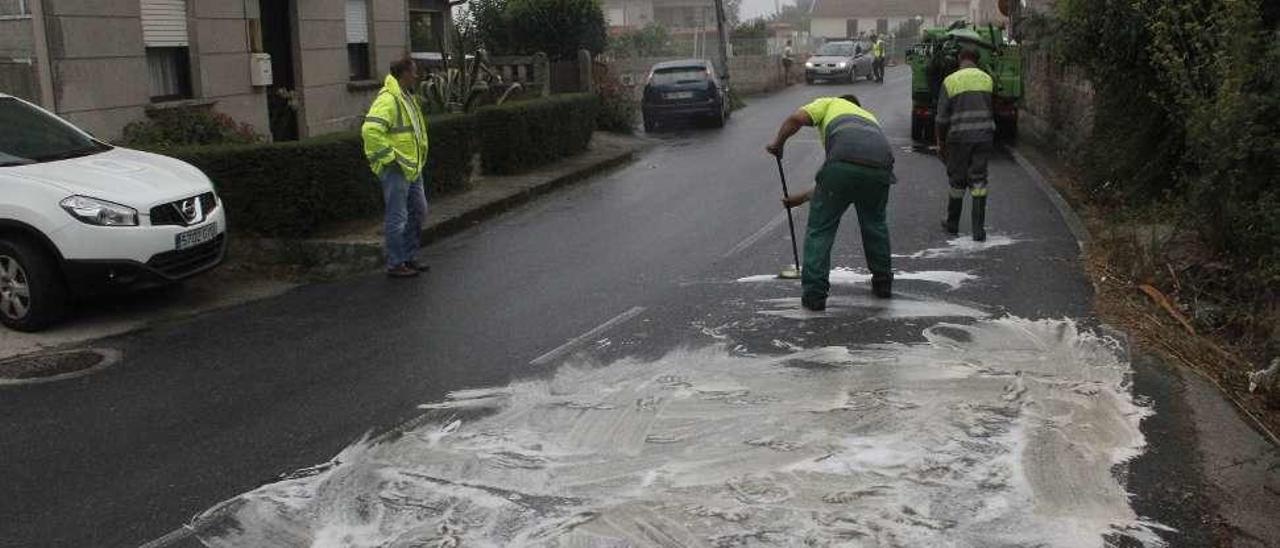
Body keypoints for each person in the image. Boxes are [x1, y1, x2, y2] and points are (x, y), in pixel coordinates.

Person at [766, 94, 896, 311]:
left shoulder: (829, 103)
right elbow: (839, 181)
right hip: (881, 164)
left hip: (842, 162)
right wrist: (797, 200)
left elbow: (795, 119)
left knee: (821, 230)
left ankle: (815, 296)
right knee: (875, 225)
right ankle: (883, 283)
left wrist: (778, 144)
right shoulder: (868, 118)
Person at [362, 56, 431, 278]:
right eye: (414, 72)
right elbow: (370, 131)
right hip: (397, 169)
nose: (417, 76)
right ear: (404, 74)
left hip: (411, 168)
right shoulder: (389, 99)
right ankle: (396, 263)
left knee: (418, 211)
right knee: (398, 217)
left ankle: (408, 257)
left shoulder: (406, 98)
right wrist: (390, 158)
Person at [935, 48, 995, 241]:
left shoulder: (951, 81)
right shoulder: (987, 79)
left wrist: (940, 142)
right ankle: (978, 231)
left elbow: (942, 119)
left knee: (957, 181)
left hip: (959, 138)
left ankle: (952, 224)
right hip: (984, 136)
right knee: (979, 181)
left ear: (960, 59)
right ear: (977, 61)